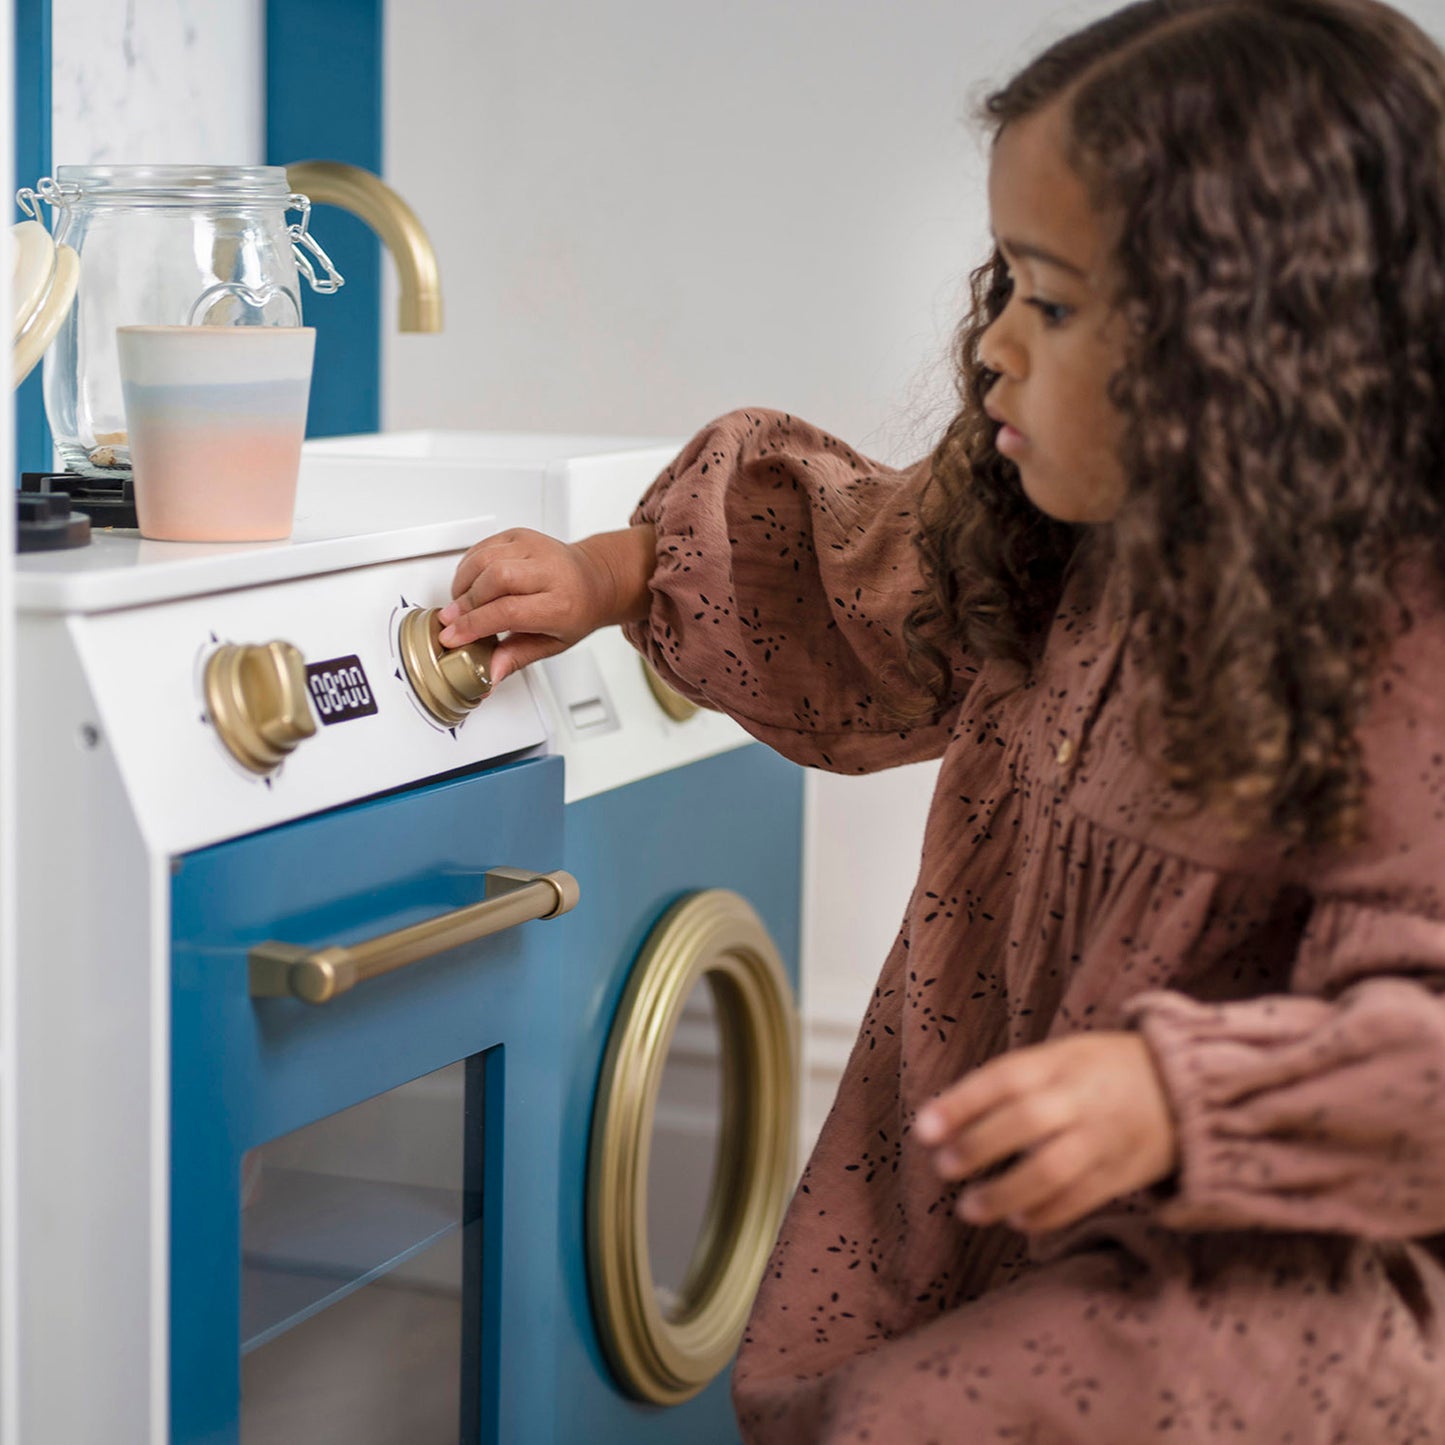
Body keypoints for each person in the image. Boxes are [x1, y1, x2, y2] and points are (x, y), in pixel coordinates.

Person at [437, 0, 1445, 1436]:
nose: (994, 346)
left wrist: (1182, 1099)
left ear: (1251, 348)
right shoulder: (1053, 543)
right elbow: (846, 572)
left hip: (1260, 1287)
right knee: (855, 1390)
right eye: (1004, 283)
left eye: (1054, 304)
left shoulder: (1399, 653)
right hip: (979, 1207)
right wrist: (613, 572)